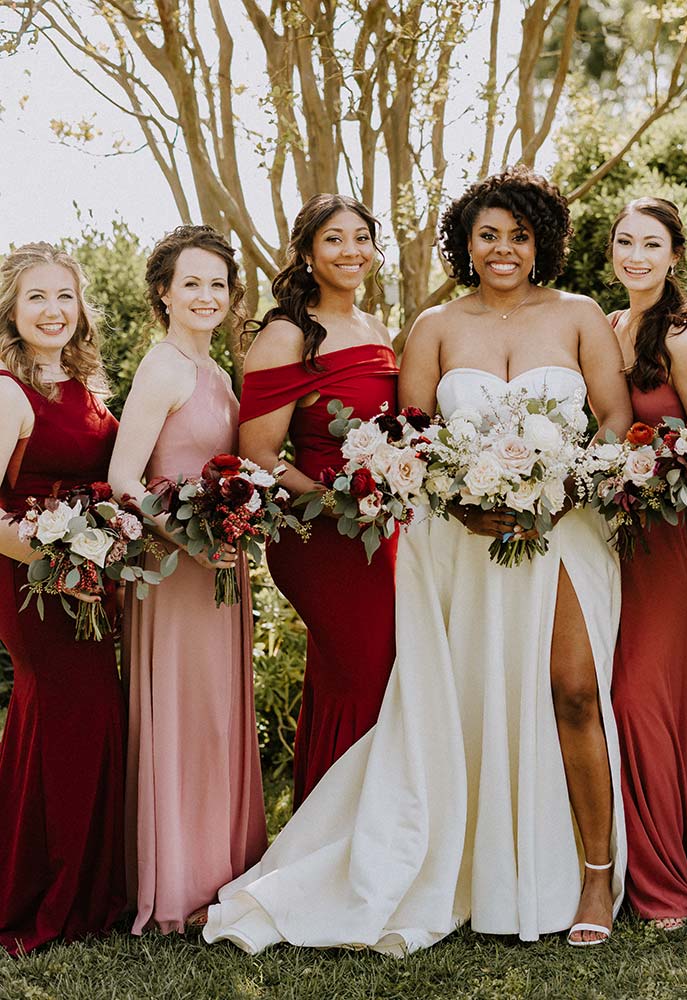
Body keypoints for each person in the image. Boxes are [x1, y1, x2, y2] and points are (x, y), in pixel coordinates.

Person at [203, 165, 633, 953]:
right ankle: (474, 867)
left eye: (519, 235)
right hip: (462, 541)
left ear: (543, 242)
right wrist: (464, 498)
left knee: (573, 691)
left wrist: (562, 487)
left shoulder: (577, 317)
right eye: (488, 235)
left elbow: (614, 417)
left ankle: (596, 874)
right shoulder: (434, 324)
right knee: (472, 701)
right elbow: (414, 438)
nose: (504, 249)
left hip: (564, 529)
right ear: (466, 244)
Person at [109, 225, 267, 934]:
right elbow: (122, 480)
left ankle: (219, 873)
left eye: (217, 284)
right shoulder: (163, 368)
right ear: (164, 293)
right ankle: (174, 889)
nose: (206, 296)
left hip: (216, 568)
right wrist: (192, 540)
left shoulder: (220, 374)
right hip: (175, 570)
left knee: (215, 717)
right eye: (191, 283)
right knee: (184, 717)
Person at [238, 194, 398, 808]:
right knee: (362, 671)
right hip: (319, 534)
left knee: (369, 673)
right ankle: (338, 827)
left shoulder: (374, 327)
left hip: (379, 528)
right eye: (334, 238)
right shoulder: (286, 334)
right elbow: (258, 450)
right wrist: (331, 502)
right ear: (306, 252)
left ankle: (365, 829)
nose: (351, 250)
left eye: (362, 237)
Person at [0, 243, 125, 954]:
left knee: (91, 715)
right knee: (62, 714)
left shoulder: (84, 389)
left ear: (81, 309)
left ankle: (86, 888)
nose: (52, 311)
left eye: (65, 298)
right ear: (13, 312)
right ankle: (39, 897)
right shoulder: (7, 392)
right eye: (36, 298)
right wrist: (58, 554)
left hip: (84, 581)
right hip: (29, 582)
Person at [606, 198, 687, 928]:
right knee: (601, 690)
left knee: (642, 698)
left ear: (674, 255)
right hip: (604, 530)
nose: (638, 255)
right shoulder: (605, 326)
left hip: (664, 529)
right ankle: (611, 864)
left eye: (653, 244)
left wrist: (658, 471)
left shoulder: (679, 335)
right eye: (626, 242)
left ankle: (661, 877)